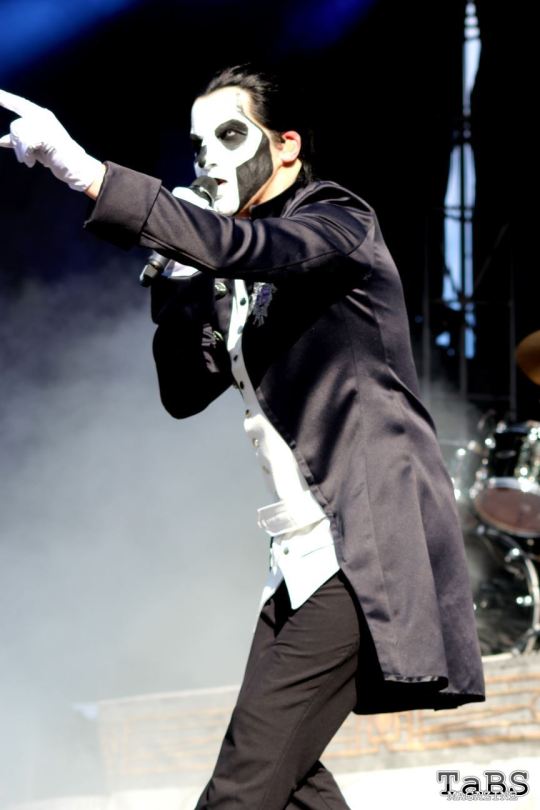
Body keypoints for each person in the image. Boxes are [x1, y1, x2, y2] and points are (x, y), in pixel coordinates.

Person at [0, 66, 485, 809]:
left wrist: (87, 174)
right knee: (291, 784)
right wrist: (179, 282)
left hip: (366, 538)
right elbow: (182, 391)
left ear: (287, 146)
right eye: (199, 147)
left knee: (241, 789)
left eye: (231, 136)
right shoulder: (236, 271)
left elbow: (252, 247)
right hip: (301, 554)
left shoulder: (338, 221)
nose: (211, 161)